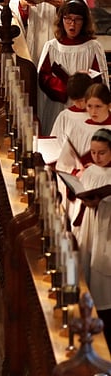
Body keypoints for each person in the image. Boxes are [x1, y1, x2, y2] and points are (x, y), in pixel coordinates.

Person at [37, 0, 107, 135]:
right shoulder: (52, 47)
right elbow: (43, 78)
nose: (72, 24)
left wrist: (81, 87)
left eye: (77, 19)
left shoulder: (93, 47)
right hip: (57, 106)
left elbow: (100, 79)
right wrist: (66, 87)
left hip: (85, 107)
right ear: (61, 20)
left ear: (84, 22)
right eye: (68, 19)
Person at [76, 128, 111, 344]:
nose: (96, 157)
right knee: (88, 265)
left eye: (102, 153)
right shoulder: (90, 171)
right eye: (93, 152)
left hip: (107, 229)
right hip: (90, 225)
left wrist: (104, 202)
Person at [67, 83, 111, 162]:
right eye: (89, 106)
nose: (93, 111)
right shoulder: (79, 127)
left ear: (109, 106)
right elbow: (68, 159)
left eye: (98, 106)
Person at [50, 72, 94, 145]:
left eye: (81, 100)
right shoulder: (65, 116)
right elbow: (55, 142)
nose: (78, 104)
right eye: (75, 101)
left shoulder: (100, 114)